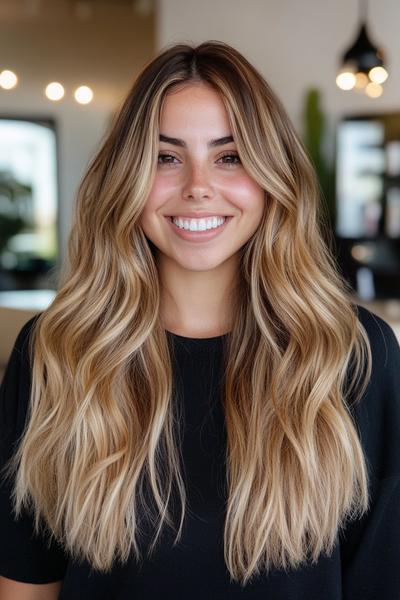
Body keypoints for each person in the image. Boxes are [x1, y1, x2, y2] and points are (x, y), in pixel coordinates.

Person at [0, 40, 399, 600]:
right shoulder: (57, 352)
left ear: (270, 177)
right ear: (127, 179)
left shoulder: (354, 356)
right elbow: (28, 586)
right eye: (166, 157)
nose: (197, 186)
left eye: (229, 156)